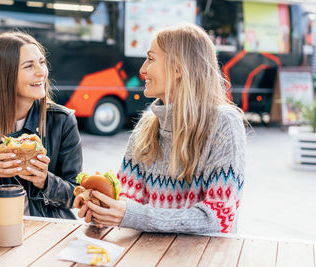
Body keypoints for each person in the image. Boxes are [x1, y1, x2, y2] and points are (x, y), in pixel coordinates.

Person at [74, 23, 247, 233]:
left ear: (177, 69)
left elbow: (219, 216)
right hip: (150, 255)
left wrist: (128, 215)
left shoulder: (224, 122)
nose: (142, 69)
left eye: (151, 58)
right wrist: (103, 212)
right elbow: (128, 199)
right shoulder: (147, 124)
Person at [0, 32, 82, 219]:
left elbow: (76, 195)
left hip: (49, 229)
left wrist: (46, 181)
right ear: (4, 76)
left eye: (41, 62)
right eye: (29, 66)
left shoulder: (62, 120)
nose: (42, 72)